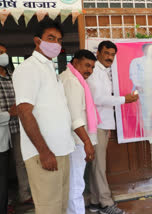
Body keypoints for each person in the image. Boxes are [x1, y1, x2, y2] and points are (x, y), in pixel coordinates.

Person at [12, 19, 75, 214]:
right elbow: (24, 111)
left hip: (61, 149)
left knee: (61, 206)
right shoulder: (28, 68)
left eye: (59, 40)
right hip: (45, 153)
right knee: (49, 209)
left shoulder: (49, 68)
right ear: (37, 41)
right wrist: (44, 152)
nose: (56, 43)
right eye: (51, 38)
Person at [87, 41, 138, 214]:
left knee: (97, 165)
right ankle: (106, 204)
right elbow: (98, 99)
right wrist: (125, 99)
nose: (110, 57)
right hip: (96, 125)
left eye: (112, 54)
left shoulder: (105, 72)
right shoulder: (94, 73)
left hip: (103, 125)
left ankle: (95, 201)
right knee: (98, 166)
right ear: (98, 53)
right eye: (106, 53)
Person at [60, 50, 99, 214]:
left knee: (73, 184)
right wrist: (87, 142)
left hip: (76, 139)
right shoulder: (72, 82)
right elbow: (76, 117)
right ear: (75, 63)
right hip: (77, 140)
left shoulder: (74, 78)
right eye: (86, 65)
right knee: (76, 185)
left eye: (92, 67)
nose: (89, 70)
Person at [0, 43, 32, 205]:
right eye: (0, 52)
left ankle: (24, 194)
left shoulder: (12, 74)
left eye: (5, 52)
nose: (3, 55)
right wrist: (8, 114)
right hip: (2, 126)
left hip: (18, 124)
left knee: (22, 161)